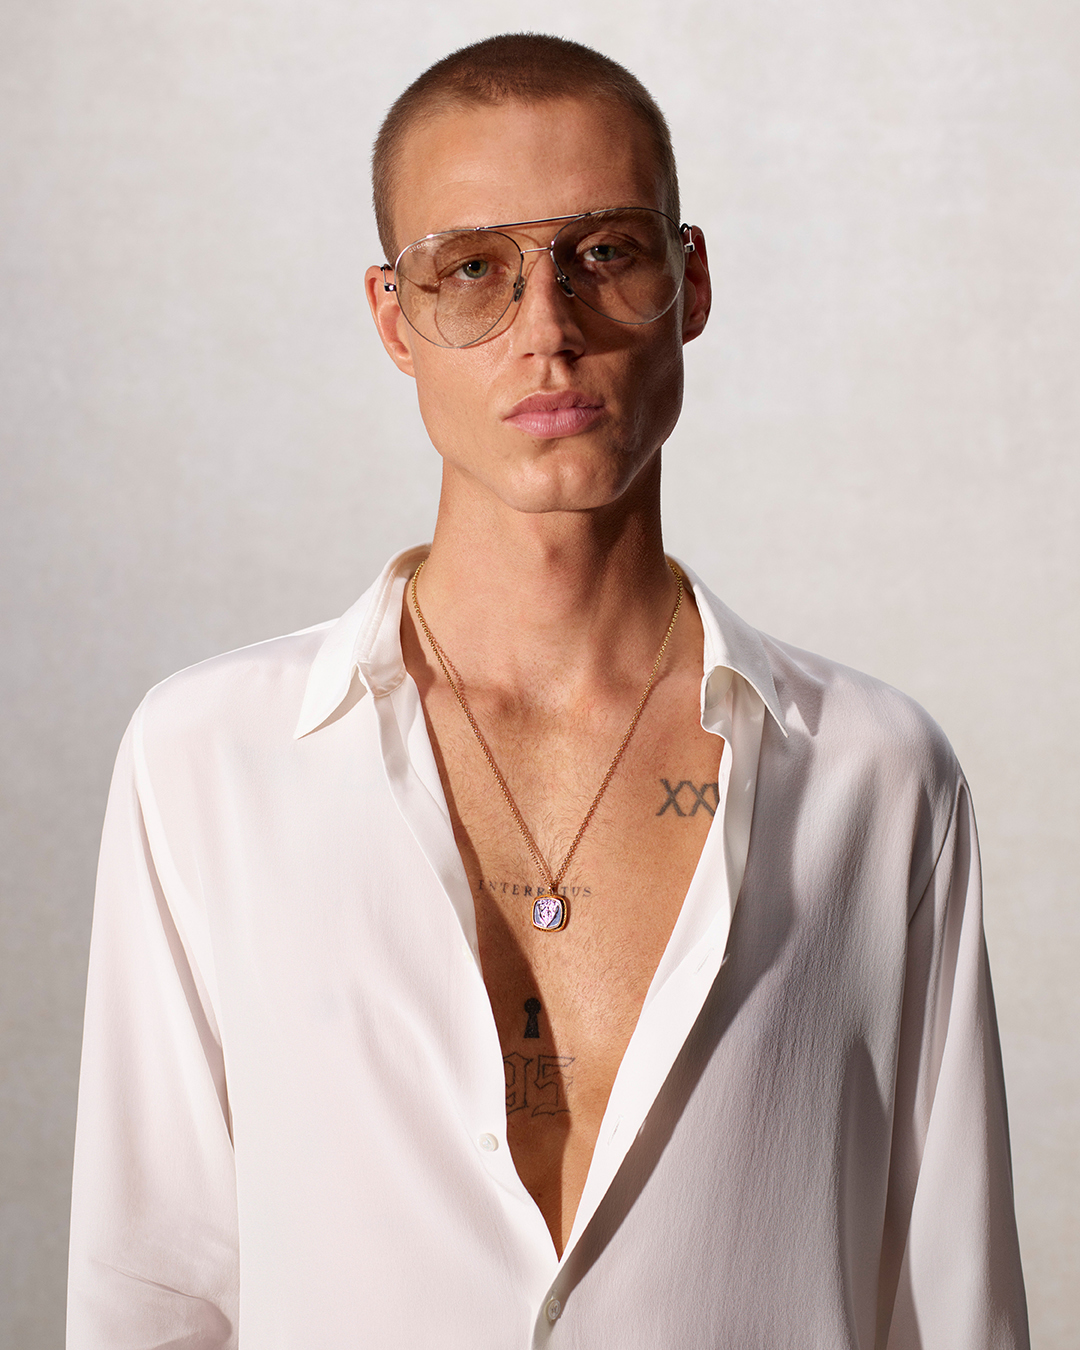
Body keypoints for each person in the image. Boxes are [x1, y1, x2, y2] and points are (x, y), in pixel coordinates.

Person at [67, 32, 1029, 1350]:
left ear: (690, 282)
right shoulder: (210, 760)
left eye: (604, 253)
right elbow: (155, 1293)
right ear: (393, 318)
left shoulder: (875, 775)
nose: (548, 330)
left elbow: (956, 1301)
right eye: (473, 269)